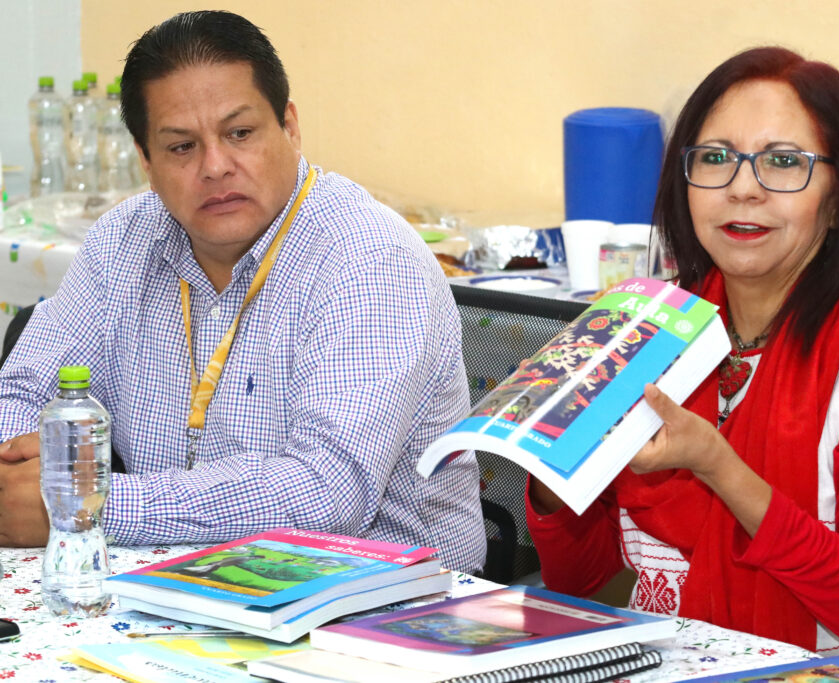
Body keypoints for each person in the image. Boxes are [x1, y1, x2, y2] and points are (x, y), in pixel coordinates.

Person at [526, 47, 839, 680]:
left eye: (784, 162)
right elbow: (581, 580)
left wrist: (716, 465)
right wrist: (548, 456)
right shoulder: (658, 325)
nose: (743, 187)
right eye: (715, 158)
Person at [0, 10, 486, 574]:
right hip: (177, 583)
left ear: (290, 126)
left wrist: (89, 503)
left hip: (379, 606)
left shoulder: (370, 260)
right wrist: (27, 476)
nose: (215, 166)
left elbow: (328, 491)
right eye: (181, 147)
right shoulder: (122, 241)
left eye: (240, 134)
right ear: (145, 160)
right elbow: (25, 391)